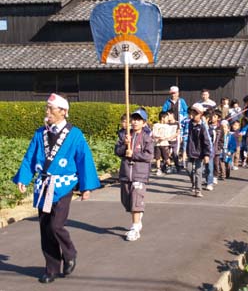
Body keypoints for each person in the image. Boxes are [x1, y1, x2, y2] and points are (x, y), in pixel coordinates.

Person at [13, 93, 100, 284]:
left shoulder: (75, 134)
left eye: (50, 109)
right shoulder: (40, 133)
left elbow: (84, 159)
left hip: (63, 185)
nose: (47, 112)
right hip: (43, 185)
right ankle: (51, 268)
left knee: (56, 225)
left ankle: (69, 253)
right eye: (46, 108)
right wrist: (24, 178)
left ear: (63, 111)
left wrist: (86, 187)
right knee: (45, 228)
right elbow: (30, 157)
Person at [115, 108, 154, 241]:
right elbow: (118, 151)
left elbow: (149, 156)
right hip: (126, 173)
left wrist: (134, 154)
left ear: (144, 123)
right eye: (134, 119)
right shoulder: (124, 135)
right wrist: (125, 145)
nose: (135, 122)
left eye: (139, 120)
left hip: (139, 174)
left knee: (135, 201)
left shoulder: (147, 137)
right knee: (127, 202)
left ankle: (135, 228)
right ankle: (138, 214)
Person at [186, 103, 211, 197]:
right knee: (188, 169)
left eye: (196, 113)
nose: (194, 115)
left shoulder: (202, 127)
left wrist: (207, 154)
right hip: (190, 150)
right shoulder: (189, 124)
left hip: (200, 152)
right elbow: (186, 137)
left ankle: (198, 189)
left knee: (198, 171)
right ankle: (194, 183)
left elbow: (206, 141)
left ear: (201, 114)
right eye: (193, 113)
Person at [152, 111, 172, 176]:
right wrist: (158, 137)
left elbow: (169, 135)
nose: (168, 119)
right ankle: (158, 169)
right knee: (157, 157)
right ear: (162, 118)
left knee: (166, 157)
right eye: (167, 118)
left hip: (165, 144)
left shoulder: (168, 126)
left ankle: (169, 166)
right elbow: (153, 133)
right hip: (157, 144)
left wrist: (164, 138)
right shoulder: (156, 125)